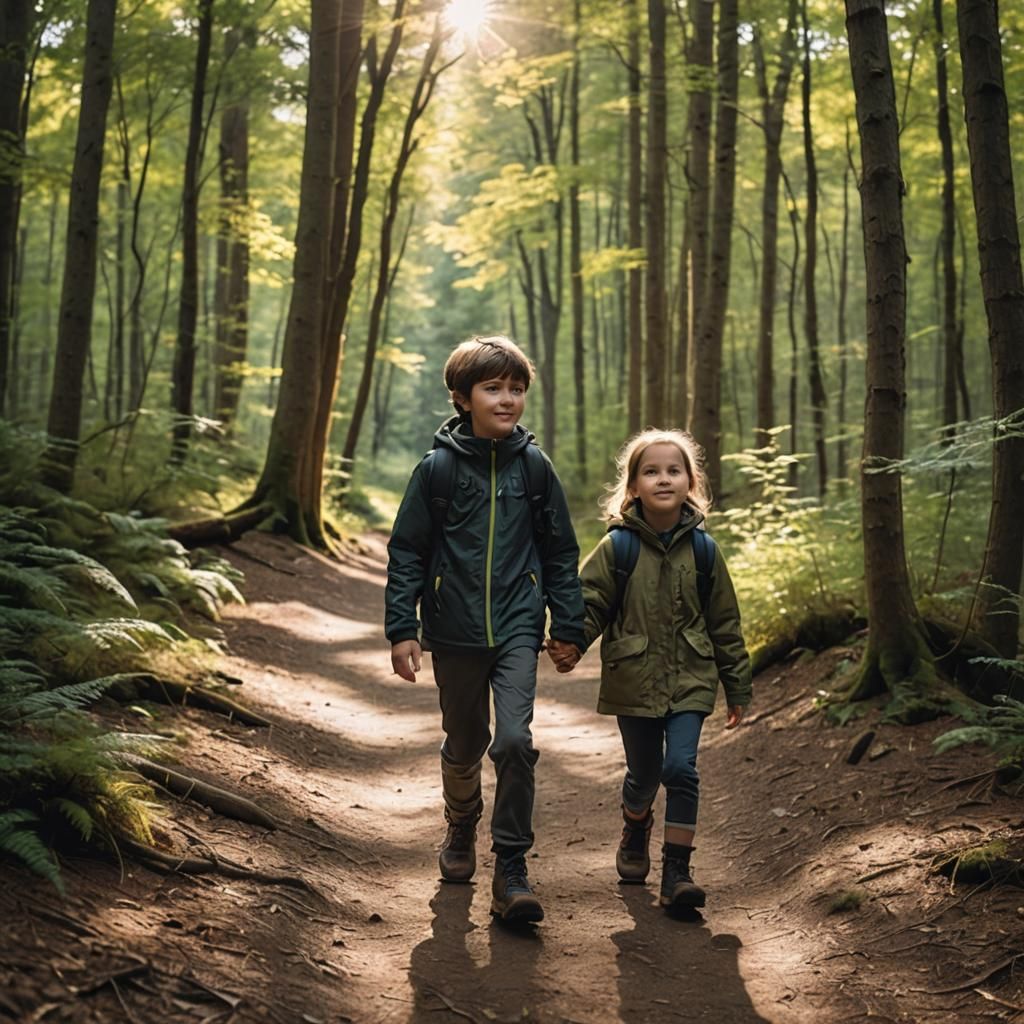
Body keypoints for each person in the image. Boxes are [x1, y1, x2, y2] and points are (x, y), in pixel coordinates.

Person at [385, 335, 586, 924]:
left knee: (516, 742)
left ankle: (511, 868)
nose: (507, 399)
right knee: (466, 743)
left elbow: (560, 553)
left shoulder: (535, 468)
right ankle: (461, 821)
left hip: (520, 628)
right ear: (462, 397)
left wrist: (568, 625)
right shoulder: (437, 470)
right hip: (452, 631)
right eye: (493, 388)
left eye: (516, 389)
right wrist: (404, 628)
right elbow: (407, 552)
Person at [547, 428, 751, 912]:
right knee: (643, 774)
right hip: (633, 677)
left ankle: (677, 872)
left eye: (674, 470)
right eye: (651, 471)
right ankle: (635, 826)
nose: (664, 478)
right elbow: (590, 603)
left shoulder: (705, 552)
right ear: (634, 486)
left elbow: (725, 622)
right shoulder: (618, 548)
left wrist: (737, 686)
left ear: (691, 482)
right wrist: (570, 642)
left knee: (680, 769)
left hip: (691, 678)